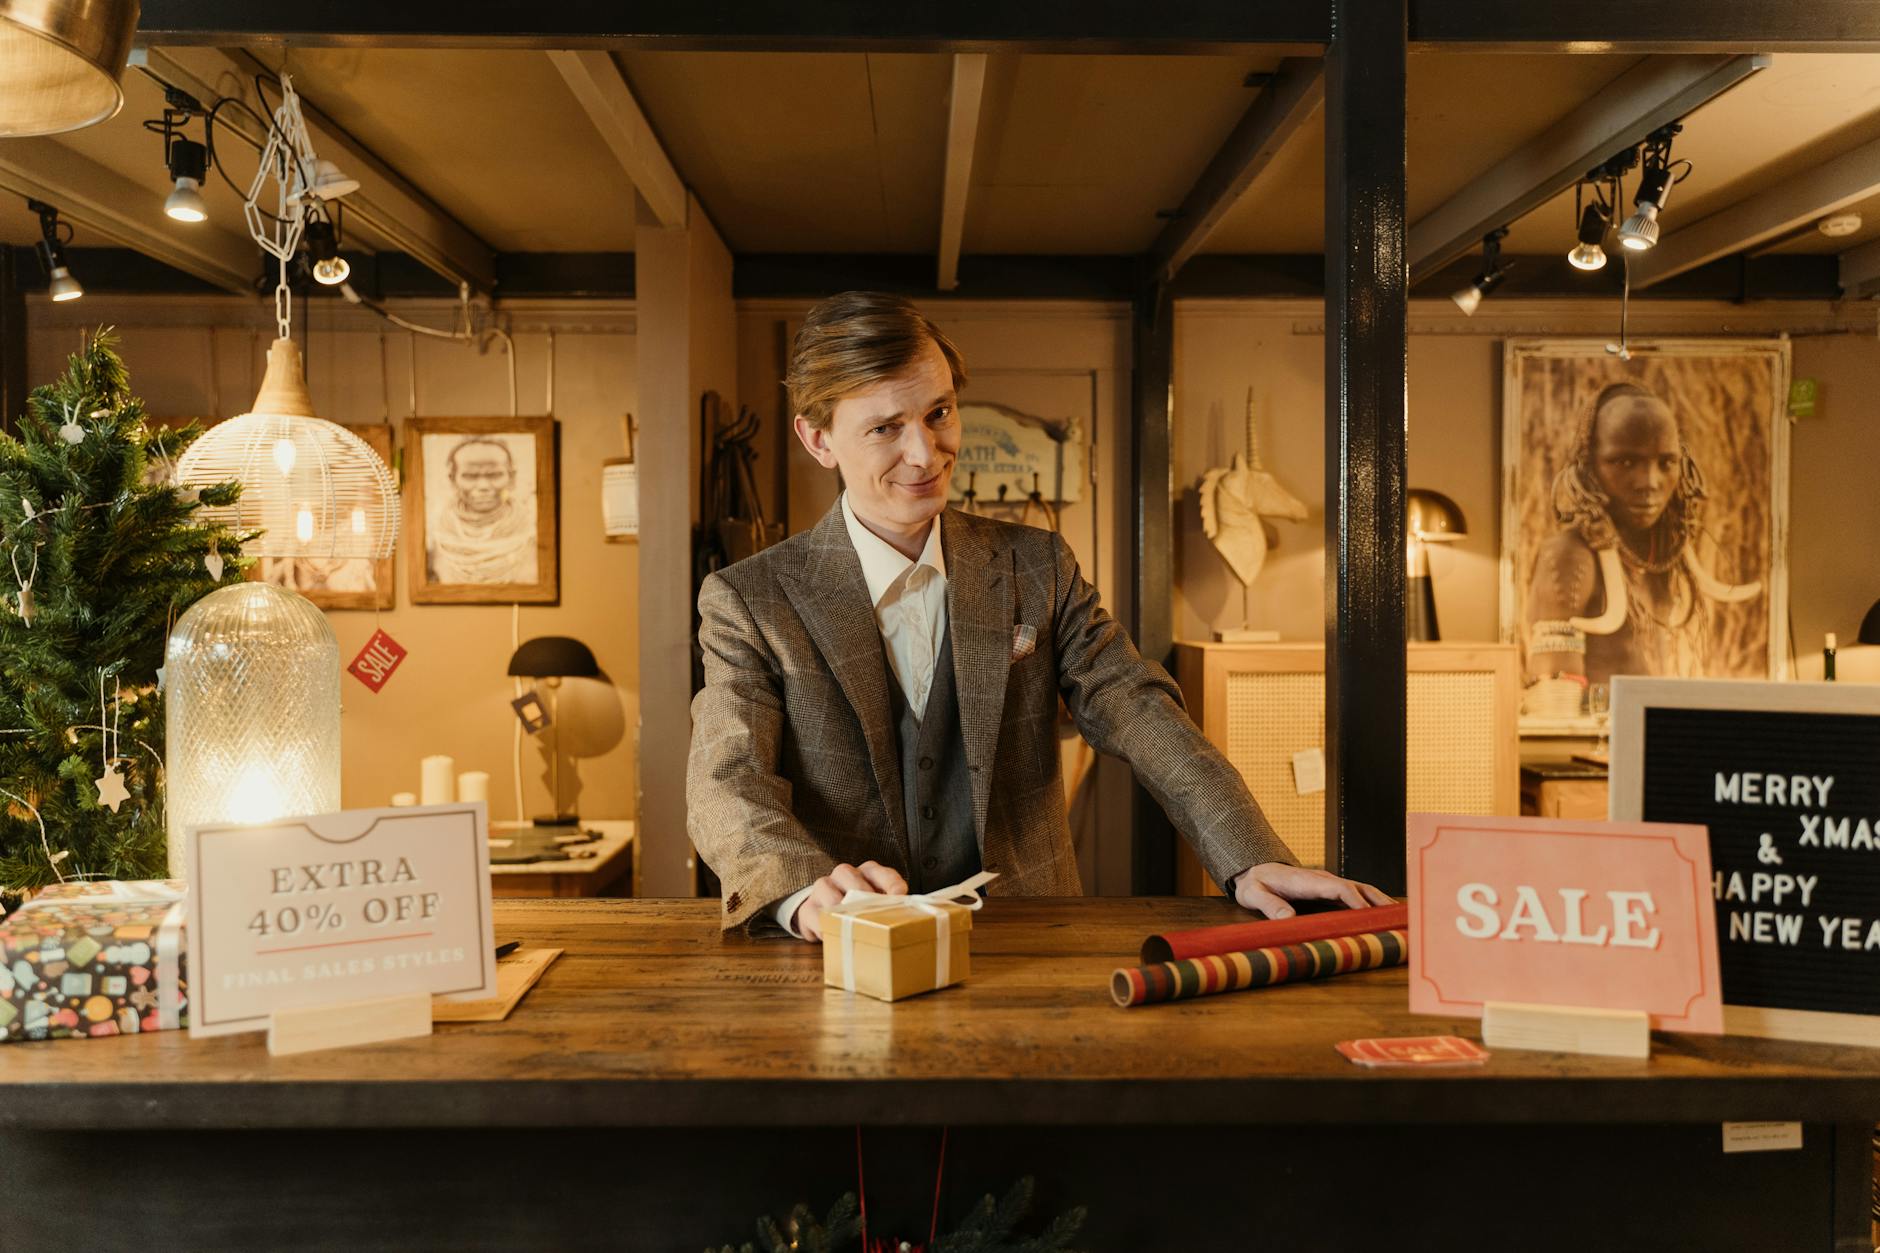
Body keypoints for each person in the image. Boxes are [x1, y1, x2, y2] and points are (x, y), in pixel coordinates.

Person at [687, 292, 1390, 940]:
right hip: (844, 953)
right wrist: (801, 889)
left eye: (939, 412)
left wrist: (1249, 855)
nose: (925, 453)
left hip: (1031, 938)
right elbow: (727, 779)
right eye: (885, 428)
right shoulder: (749, 598)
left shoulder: (1037, 564)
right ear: (819, 441)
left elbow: (1136, 704)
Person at [1525, 381, 1759, 693]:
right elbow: (1553, 699)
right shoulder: (1569, 555)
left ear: (1682, 465)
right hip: (1600, 739)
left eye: (1666, 463)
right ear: (1589, 466)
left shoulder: (1660, 553)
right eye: (1625, 462)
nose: (1649, 482)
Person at [426, 436, 538, 585]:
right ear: (452, 479)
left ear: (511, 477)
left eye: (494, 475)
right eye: (470, 476)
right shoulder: (435, 535)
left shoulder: (531, 530)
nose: (483, 485)